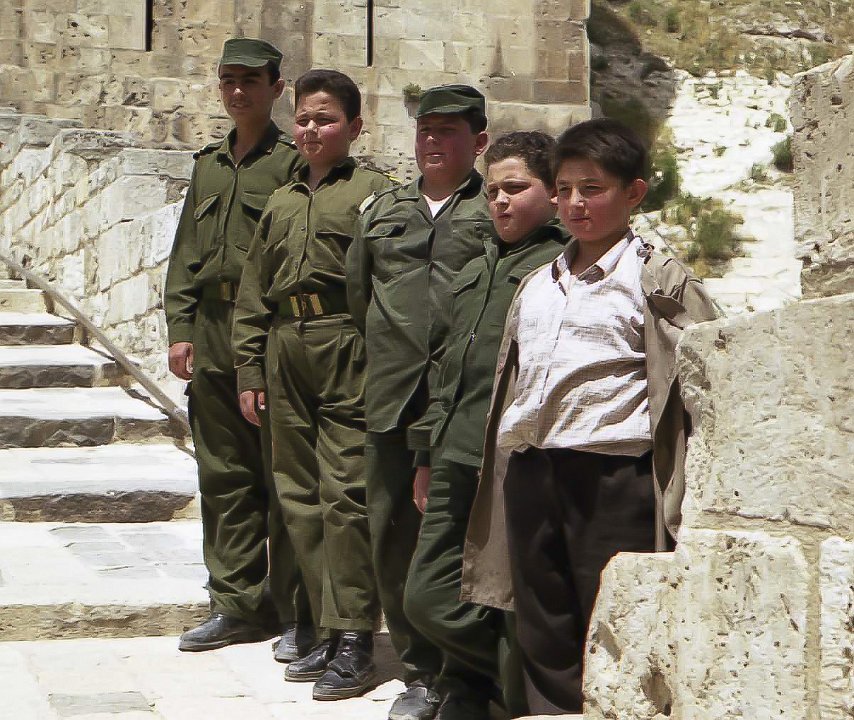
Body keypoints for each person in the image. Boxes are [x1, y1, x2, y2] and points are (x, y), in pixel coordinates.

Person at [461, 117, 720, 714]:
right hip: (533, 471)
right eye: (565, 189)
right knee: (543, 628)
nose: (575, 203)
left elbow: (707, 376)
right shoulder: (538, 283)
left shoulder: (659, 281)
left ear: (634, 193)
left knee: (617, 624)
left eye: (593, 189)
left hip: (613, 479)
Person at [232, 69, 393, 700]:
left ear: (354, 127)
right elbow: (253, 291)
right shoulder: (280, 200)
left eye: (325, 119)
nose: (310, 129)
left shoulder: (376, 196)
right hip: (284, 347)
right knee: (296, 494)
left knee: (345, 492)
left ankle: (354, 635)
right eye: (302, 118)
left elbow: (390, 283)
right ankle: (322, 627)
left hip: (344, 343)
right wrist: (250, 367)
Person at [403, 131, 570, 720]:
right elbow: (446, 369)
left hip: (510, 457)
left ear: (552, 194)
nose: (500, 200)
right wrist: (425, 456)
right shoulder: (476, 267)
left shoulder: (560, 266)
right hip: (454, 451)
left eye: (516, 188)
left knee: (505, 588)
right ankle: (504, 678)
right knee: (425, 596)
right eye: (493, 190)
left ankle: (482, 692)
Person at [347, 85, 492, 720]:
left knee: (460, 534)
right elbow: (359, 296)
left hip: (463, 399)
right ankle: (418, 669)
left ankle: (465, 670)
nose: (432, 140)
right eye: (425, 129)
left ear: (478, 141)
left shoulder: (494, 207)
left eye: (448, 130)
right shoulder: (383, 210)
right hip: (393, 395)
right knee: (391, 532)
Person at [163, 38, 310, 656]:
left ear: (276, 88)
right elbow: (185, 253)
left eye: (251, 80)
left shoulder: (292, 163)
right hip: (212, 331)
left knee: (285, 475)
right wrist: (181, 327)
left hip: (268, 333)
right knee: (223, 474)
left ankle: (298, 610)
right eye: (228, 80)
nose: (238, 91)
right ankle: (236, 603)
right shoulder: (209, 165)